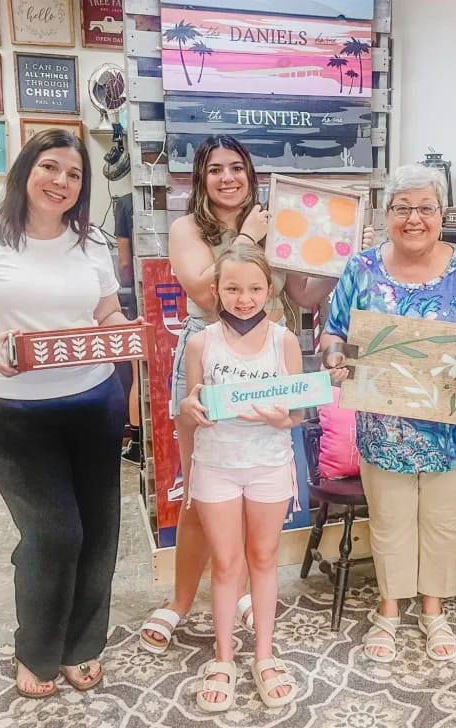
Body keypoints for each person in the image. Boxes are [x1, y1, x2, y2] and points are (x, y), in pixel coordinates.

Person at [139, 135, 373, 653]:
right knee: (205, 490)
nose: (228, 178)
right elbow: (203, 291)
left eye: (237, 168)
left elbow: (303, 295)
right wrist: (246, 237)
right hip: (209, 365)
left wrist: (338, 254)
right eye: (216, 169)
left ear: (250, 173)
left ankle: (242, 589)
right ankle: (180, 602)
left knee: (259, 479)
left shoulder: (277, 220)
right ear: (200, 178)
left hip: (269, 363)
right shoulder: (187, 229)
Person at [0, 130, 129, 698]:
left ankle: (82, 646)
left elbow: (107, 310)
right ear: (26, 170)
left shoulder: (90, 242)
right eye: (50, 168)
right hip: (11, 411)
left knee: (98, 531)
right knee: (52, 533)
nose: (61, 183)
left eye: (73, 175)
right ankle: (38, 650)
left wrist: (127, 334)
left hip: (93, 401)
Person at [321, 163, 456, 663]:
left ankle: (433, 611)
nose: (414, 218)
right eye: (403, 208)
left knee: (445, 522)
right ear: (387, 215)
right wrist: (336, 356)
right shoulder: (362, 268)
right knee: (390, 519)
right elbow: (334, 331)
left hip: (453, 427)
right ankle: (388, 609)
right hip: (385, 426)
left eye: (426, 207)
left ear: (442, 215)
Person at [180, 241, 302, 711]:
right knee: (227, 564)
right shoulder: (200, 342)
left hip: (269, 464)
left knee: (265, 558)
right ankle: (224, 657)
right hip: (216, 468)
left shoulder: (283, 340)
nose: (244, 297)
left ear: (268, 290)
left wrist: (282, 420)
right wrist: (189, 408)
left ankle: (264, 656)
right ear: (216, 291)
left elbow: (295, 410)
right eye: (233, 288)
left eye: (254, 288)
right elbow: (190, 407)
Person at [113, 193, 142, 465]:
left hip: (142, 294)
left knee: (138, 373)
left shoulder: (124, 203)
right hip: (179, 296)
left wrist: (131, 283)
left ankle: (137, 443)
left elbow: (124, 262)